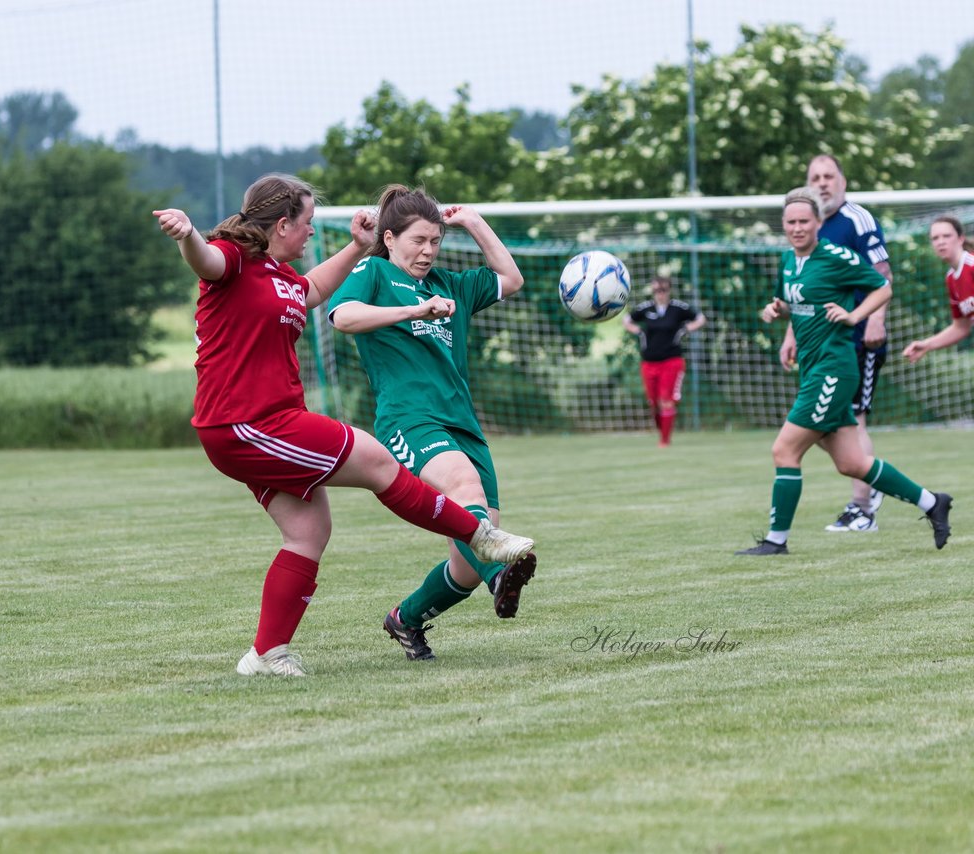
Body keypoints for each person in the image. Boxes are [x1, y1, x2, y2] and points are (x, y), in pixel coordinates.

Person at [151, 174, 534, 677]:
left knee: (309, 530)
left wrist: (356, 246)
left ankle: (266, 654)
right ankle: (481, 537)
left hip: (258, 427)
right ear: (283, 223)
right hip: (251, 420)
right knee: (375, 459)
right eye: (308, 222)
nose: (312, 231)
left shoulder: (283, 277)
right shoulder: (233, 257)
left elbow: (313, 291)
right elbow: (210, 262)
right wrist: (188, 236)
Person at [325, 185, 538, 662]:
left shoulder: (450, 285)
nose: (427, 251)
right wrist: (416, 310)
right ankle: (501, 576)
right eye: (418, 240)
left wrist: (475, 222)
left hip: (463, 424)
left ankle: (406, 619)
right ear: (390, 237)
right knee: (465, 488)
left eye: (435, 242)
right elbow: (343, 316)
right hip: (408, 418)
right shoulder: (373, 271)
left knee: (464, 565)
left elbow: (511, 278)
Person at [735, 186, 952, 556]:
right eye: (791, 222)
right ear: (783, 225)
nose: (798, 228)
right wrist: (776, 312)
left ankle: (776, 540)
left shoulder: (836, 256)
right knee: (852, 463)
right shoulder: (788, 261)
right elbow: (793, 303)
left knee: (784, 450)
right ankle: (933, 503)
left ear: (819, 222)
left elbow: (881, 287)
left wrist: (854, 316)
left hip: (833, 372)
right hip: (812, 369)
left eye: (805, 221)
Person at [783, 154, 893, 533]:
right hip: (820, 342)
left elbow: (882, 275)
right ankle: (875, 488)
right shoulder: (810, 229)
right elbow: (804, 291)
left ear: (843, 181)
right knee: (833, 426)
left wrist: (874, 319)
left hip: (856, 337)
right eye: (816, 177)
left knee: (853, 418)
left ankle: (862, 505)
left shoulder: (856, 219)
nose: (823, 183)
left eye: (830, 176)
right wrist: (790, 334)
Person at [622, 276, 707, 447]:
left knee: (665, 400)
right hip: (649, 363)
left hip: (671, 361)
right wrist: (637, 331)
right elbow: (626, 320)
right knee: (654, 403)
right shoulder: (645, 309)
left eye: (663, 290)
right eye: (656, 291)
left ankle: (665, 441)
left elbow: (700, 318)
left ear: (668, 291)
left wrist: (686, 329)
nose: (659, 294)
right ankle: (663, 432)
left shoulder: (678, 308)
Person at [902, 215, 974, 362]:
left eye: (947, 236)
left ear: (960, 238)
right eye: (935, 238)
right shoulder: (951, 278)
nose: (941, 242)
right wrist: (927, 345)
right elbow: (961, 327)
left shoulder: (972, 266)